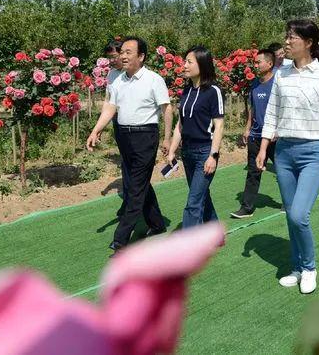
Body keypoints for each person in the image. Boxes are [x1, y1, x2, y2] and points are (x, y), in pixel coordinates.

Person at [257, 19, 319, 294]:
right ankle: (296, 267)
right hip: (283, 153)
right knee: (290, 214)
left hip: (312, 153)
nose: (287, 41)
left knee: (298, 215)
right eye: (287, 36)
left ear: (309, 43)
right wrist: (263, 146)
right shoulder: (281, 74)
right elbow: (272, 112)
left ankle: (310, 267)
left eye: (293, 37)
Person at [86, 37, 173, 256]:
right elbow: (110, 108)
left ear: (141, 56)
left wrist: (167, 138)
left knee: (134, 188)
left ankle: (121, 239)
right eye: (121, 52)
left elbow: (167, 109)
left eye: (128, 52)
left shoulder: (154, 79)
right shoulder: (118, 80)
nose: (122, 56)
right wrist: (96, 129)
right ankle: (157, 223)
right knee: (138, 182)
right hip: (124, 136)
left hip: (145, 136)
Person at [166, 47, 225, 228]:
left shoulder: (213, 91)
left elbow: (219, 125)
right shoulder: (187, 91)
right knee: (200, 195)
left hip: (205, 152)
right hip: (188, 152)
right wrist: (172, 151)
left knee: (193, 202)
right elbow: (180, 125)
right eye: (185, 61)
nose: (184, 65)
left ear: (202, 64)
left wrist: (213, 156)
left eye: (189, 62)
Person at [231, 48, 277, 219]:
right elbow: (253, 108)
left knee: (284, 171)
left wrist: (279, 130)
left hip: (274, 137)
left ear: (270, 63)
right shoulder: (255, 83)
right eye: (255, 62)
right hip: (256, 136)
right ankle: (247, 207)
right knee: (253, 171)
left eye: (258, 62)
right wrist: (248, 128)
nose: (255, 65)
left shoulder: (278, 83)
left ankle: (290, 203)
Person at [103, 40, 128, 216]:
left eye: (113, 57)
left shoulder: (132, 73)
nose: (111, 61)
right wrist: (100, 126)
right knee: (126, 162)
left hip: (135, 124)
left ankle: (131, 203)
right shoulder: (111, 75)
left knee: (133, 166)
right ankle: (130, 199)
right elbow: (107, 100)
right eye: (109, 58)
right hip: (118, 122)